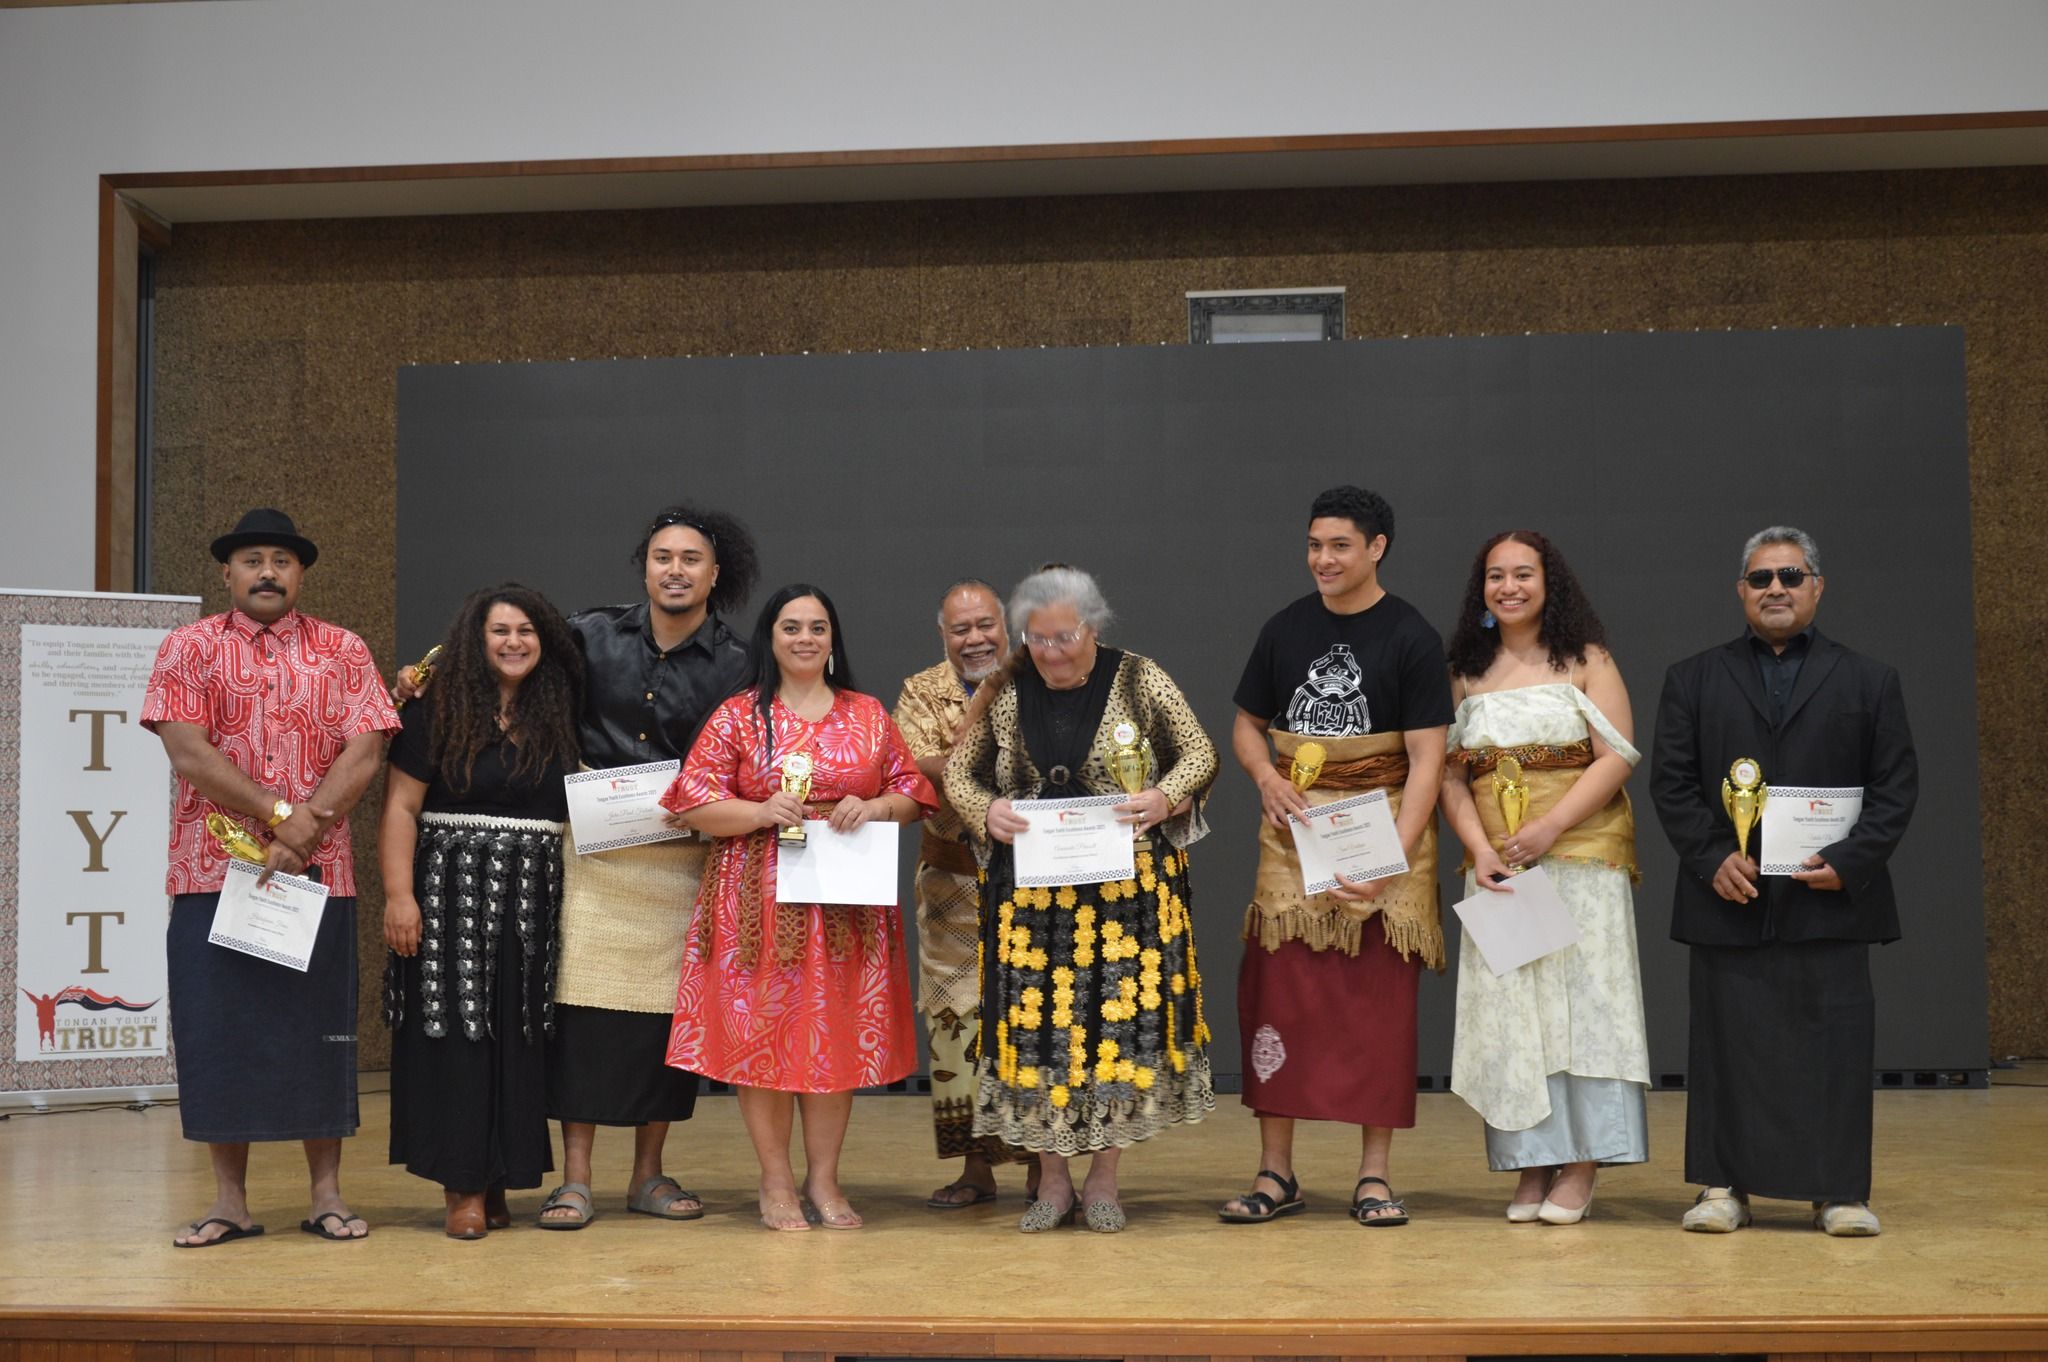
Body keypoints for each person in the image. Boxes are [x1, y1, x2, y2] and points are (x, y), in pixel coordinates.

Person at [395, 504, 758, 1229]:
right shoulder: (587, 634)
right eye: (663, 557)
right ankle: (577, 1179)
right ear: (645, 567)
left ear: (715, 574)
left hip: (683, 856)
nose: (676, 570)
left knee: (662, 1023)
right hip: (589, 854)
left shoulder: (741, 662)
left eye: (691, 559)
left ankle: (648, 1176)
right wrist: (417, 678)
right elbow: (500, 644)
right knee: (580, 1014)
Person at [142, 508, 401, 1246]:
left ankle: (327, 1193)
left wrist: (307, 828)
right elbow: (188, 752)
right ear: (227, 573)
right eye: (251, 559)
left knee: (317, 1034)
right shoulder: (188, 648)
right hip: (209, 875)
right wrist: (280, 814)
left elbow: (366, 750)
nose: (266, 572)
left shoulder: (343, 651)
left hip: (320, 876)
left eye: (281, 561)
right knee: (221, 1034)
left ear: (300, 574)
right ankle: (230, 1202)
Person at [1651, 526, 1916, 1237]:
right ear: (1741, 591)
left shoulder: (1870, 680)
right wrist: (1712, 857)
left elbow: (1896, 788)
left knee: (1833, 1049)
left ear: (1817, 588)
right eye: (1761, 578)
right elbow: (1672, 784)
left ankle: (1839, 1194)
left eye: (1791, 577)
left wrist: (1853, 860)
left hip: (1829, 899)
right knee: (1725, 1047)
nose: (1776, 589)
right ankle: (1721, 1190)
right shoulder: (1692, 678)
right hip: (1727, 897)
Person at [946, 565, 1218, 1234]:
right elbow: (959, 770)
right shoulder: (1005, 688)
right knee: (1037, 1037)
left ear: (1092, 627)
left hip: (1126, 901)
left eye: (1063, 637)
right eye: (1035, 639)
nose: (1049, 653)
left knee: (1115, 1036)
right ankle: (1055, 1183)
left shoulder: (1139, 676)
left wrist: (1163, 796)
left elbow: (1200, 752)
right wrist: (988, 809)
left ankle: (1103, 1180)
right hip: (1031, 903)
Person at [660, 584, 936, 1231]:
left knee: (833, 1040)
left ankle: (825, 1181)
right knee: (763, 1040)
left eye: (817, 627)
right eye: (791, 627)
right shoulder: (737, 716)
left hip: (844, 908)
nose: (805, 638)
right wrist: (759, 810)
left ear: (833, 639)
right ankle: (776, 1182)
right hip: (755, 902)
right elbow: (689, 799)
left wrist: (873, 807)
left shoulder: (868, 713)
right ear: (771, 639)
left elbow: (914, 792)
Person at [1221, 486, 1450, 1228]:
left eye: (1339, 546)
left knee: (1377, 1009)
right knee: (1279, 1002)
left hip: (1385, 831)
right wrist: (1264, 776)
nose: (1323, 558)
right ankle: (1275, 1172)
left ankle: (1374, 1177)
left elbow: (1426, 759)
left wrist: (1395, 857)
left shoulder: (1411, 635)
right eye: (1315, 544)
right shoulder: (1285, 628)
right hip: (1293, 843)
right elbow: (1248, 726)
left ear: (1377, 547)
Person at [1438, 531, 1650, 1225]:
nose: (1509, 587)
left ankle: (1582, 1163)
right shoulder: (1466, 669)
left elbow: (1616, 754)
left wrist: (1551, 827)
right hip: (1502, 870)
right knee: (1513, 1016)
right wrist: (1480, 846)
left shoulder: (1587, 659)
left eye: (1523, 574)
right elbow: (1449, 773)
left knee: (1585, 1007)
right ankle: (1530, 1164)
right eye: (1495, 576)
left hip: (1579, 860)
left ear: (1549, 583)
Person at [380, 584, 583, 1239]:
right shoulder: (435, 708)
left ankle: (499, 1179)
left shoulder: (558, 713)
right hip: (447, 897)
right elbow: (401, 809)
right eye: (501, 631)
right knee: (459, 1040)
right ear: (477, 638)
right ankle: (462, 1187)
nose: (515, 642)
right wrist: (400, 895)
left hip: (531, 905)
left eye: (526, 630)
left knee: (516, 1038)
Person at [892, 579, 1042, 1209]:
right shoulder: (920, 690)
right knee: (956, 1023)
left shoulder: (1043, 674)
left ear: (1005, 625)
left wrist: (960, 761)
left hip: (1036, 877)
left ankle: (1045, 1168)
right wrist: (984, 761)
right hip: (951, 878)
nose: (975, 638)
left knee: (1036, 1017)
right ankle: (975, 1166)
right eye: (961, 629)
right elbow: (913, 760)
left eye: (986, 625)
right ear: (943, 635)